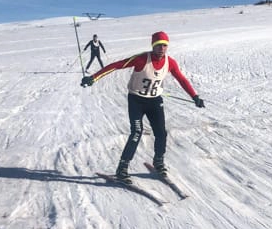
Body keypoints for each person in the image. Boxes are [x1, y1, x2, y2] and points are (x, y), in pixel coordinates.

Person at [80, 31, 204, 179]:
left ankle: (159, 161)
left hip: (155, 101)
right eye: (158, 45)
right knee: (136, 133)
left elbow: (182, 80)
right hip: (136, 100)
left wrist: (195, 96)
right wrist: (93, 78)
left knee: (161, 133)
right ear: (153, 46)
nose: (162, 49)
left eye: (164, 46)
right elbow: (116, 65)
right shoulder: (141, 59)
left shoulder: (170, 62)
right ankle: (122, 167)